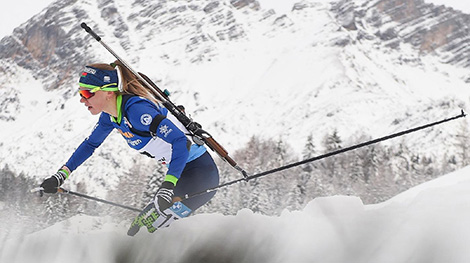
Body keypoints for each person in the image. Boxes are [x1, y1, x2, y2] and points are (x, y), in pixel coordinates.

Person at [39, 61, 220, 235]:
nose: (82, 100)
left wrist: (167, 186)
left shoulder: (137, 111)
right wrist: (60, 176)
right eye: (80, 93)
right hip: (180, 176)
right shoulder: (109, 117)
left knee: (151, 233)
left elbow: (181, 141)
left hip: (200, 175)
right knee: (140, 231)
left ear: (109, 92)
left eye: (88, 93)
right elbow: (90, 145)